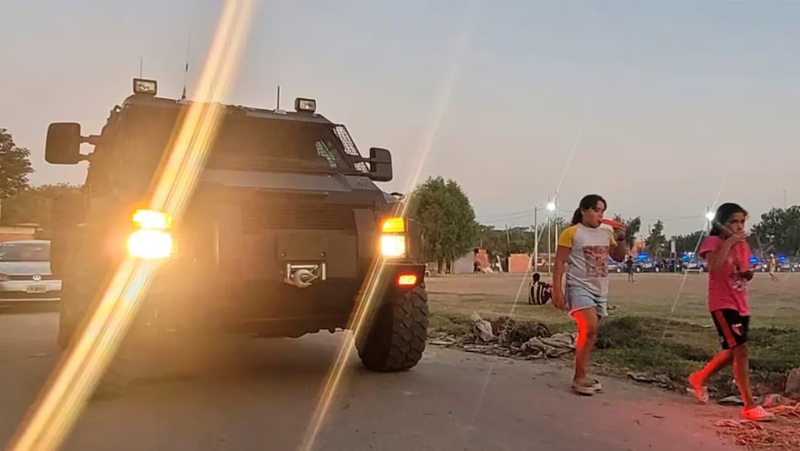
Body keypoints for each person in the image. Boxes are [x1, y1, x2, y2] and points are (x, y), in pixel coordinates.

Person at [688, 203, 775, 422]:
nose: (738, 226)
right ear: (721, 223)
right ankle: (749, 404)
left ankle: (700, 377)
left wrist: (747, 273)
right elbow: (714, 267)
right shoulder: (713, 242)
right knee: (741, 349)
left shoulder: (744, 246)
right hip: (722, 302)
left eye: (741, 222)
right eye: (733, 222)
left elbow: (741, 270)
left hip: (740, 303)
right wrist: (729, 242)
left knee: (733, 351)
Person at [551, 194, 628, 395]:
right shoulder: (571, 233)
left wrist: (621, 239)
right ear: (584, 210)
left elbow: (619, 257)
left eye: (602, 211)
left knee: (590, 333)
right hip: (578, 286)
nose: (599, 215)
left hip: (600, 289)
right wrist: (556, 289)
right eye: (595, 210)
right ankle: (579, 377)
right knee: (590, 326)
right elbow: (559, 262)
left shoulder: (607, 232)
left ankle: (581, 373)